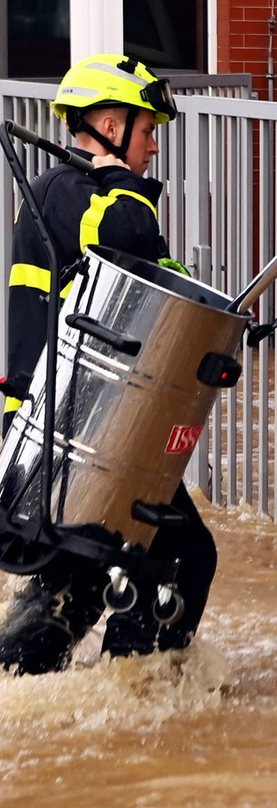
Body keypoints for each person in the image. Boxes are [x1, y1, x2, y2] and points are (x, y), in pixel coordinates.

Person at [0, 53, 218, 675]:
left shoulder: (77, 192)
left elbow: (163, 281)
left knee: (106, 571)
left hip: (90, 429)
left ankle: (116, 694)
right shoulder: (68, 193)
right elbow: (125, 232)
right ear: (110, 124)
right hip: (70, 434)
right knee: (168, 559)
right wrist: (117, 174)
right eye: (147, 132)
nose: (153, 151)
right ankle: (134, 696)